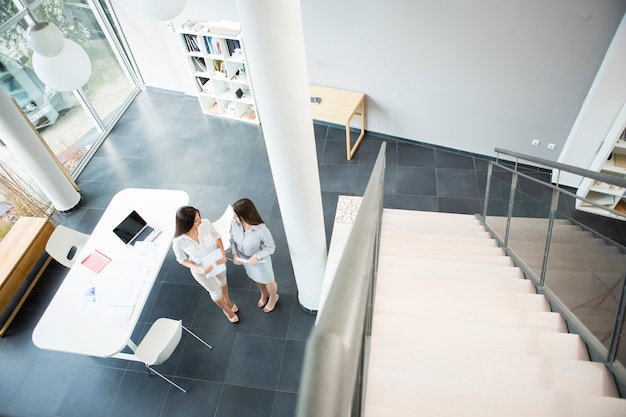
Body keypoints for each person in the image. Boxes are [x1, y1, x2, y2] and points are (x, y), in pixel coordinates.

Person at [172, 206, 239, 323]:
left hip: (216, 259)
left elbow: (216, 236)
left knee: (223, 281)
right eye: (196, 221)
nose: (200, 221)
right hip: (200, 269)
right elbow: (181, 259)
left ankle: (227, 301)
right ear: (186, 224)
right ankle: (227, 310)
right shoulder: (178, 241)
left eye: (199, 218)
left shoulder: (205, 223)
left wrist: (222, 253)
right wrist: (199, 269)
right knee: (216, 293)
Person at [230, 198, 279, 313]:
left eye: (237, 216)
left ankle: (273, 298)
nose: (234, 218)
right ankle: (264, 294)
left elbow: (271, 247)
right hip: (246, 260)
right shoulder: (235, 223)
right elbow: (232, 239)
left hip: (260, 262)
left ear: (247, 215)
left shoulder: (261, 230)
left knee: (268, 280)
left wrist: (257, 256)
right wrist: (234, 254)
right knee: (256, 278)